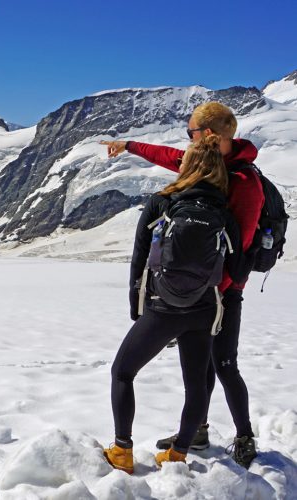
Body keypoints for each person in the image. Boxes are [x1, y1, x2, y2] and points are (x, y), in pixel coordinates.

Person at [101, 102, 264, 469]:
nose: (185, 143)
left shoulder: (242, 183)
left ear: (206, 137)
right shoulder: (217, 175)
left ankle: (243, 435)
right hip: (204, 299)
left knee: (223, 366)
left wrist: (193, 293)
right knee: (200, 374)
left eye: (189, 134)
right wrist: (129, 145)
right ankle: (191, 440)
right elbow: (173, 158)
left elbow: (241, 252)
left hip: (214, 295)